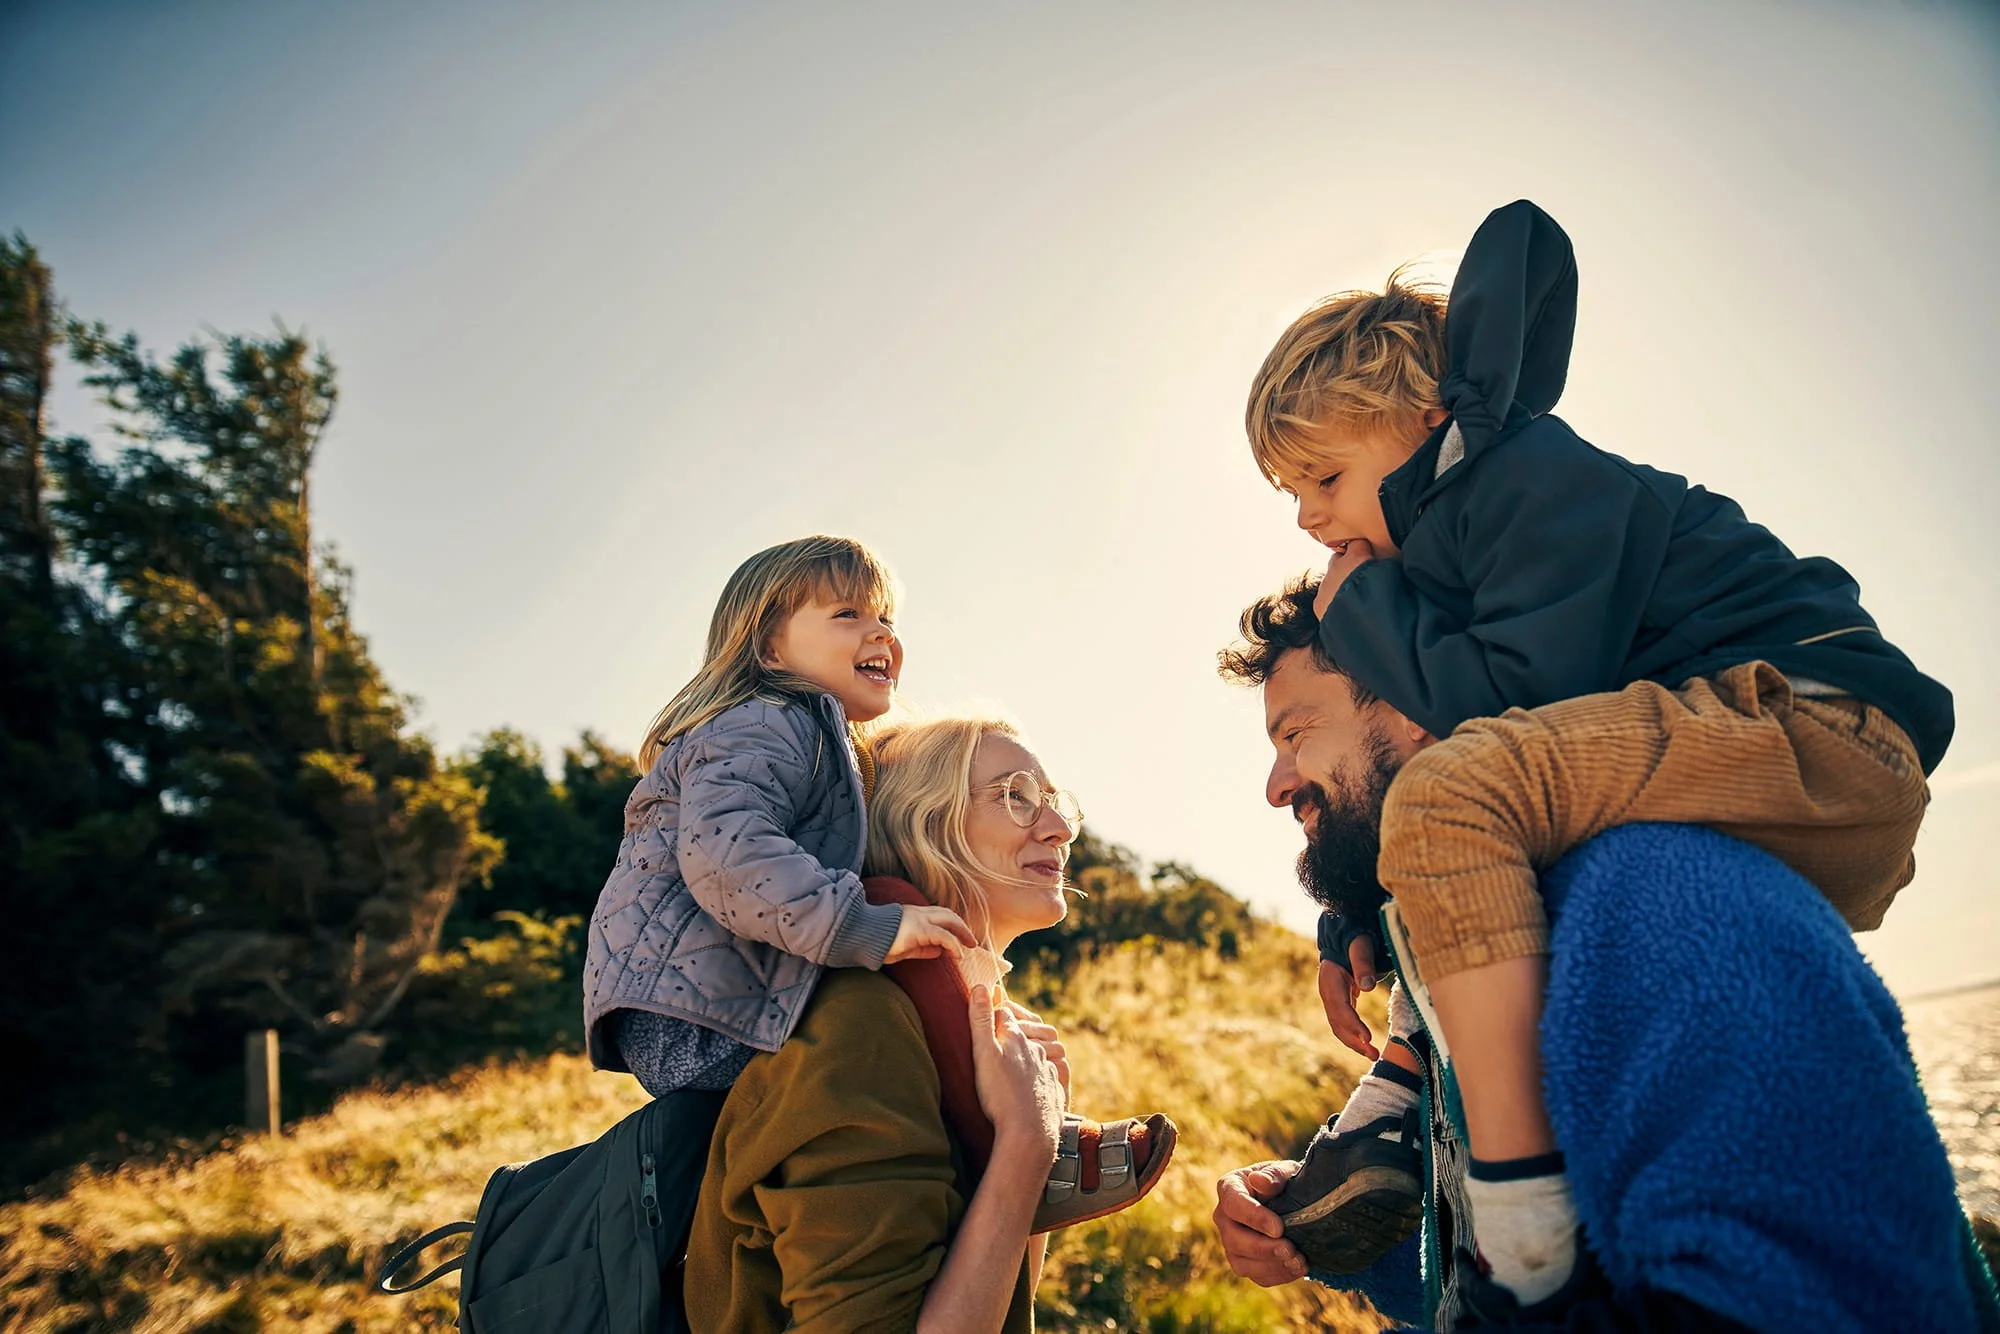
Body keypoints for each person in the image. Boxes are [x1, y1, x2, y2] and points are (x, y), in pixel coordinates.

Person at [1236, 200, 1953, 1311]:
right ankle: (1453, 1158)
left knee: (1451, 794)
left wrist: (1367, 604)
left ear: (1427, 420)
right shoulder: (1541, 895)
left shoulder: (1524, 484)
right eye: (1292, 494)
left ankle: (1520, 1207)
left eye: (1322, 481)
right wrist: (1368, 916)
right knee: (1454, 807)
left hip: (1807, 722)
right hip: (1765, 746)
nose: (1305, 520)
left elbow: (1513, 705)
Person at [1207, 579, 1992, 1331]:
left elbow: (1837, 1307)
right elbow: (1515, 1278)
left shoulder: (1667, 903)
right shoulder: (1458, 958)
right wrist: (1318, 1235)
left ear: (1412, 702)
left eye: (1295, 735)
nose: (1276, 786)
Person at [582, 534, 1161, 1233]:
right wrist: (864, 925)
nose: (881, 632)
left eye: (886, 617)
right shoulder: (764, 723)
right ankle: (1023, 1149)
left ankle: (1017, 1141)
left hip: (705, 999)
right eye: (848, 614)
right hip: (691, 1014)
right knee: (894, 934)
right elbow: (728, 855)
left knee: (901, 969)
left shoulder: (810, 741)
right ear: (768, 647)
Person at [683, 714, 1173, 1331]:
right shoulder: (861, 1025)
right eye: (1016, 796)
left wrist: (1031, 1136)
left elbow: (997, 1307)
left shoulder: (960, 1033)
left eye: (1055, 802)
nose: (1059, 828)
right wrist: (1028, 1142)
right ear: (922, 825)